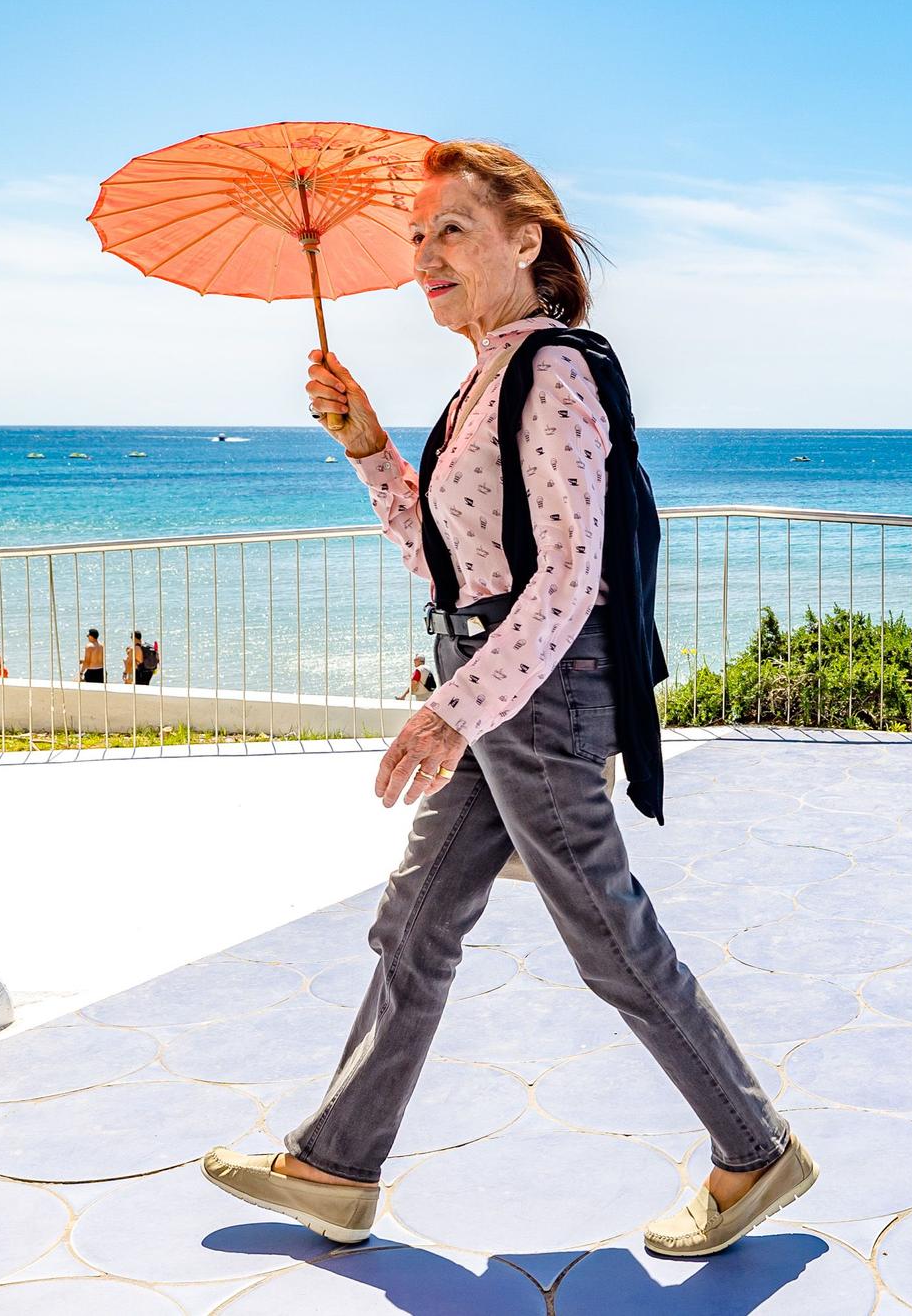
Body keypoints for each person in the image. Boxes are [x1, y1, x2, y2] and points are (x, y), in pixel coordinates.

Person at [201, 139, 812, 1257]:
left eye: (451, 230)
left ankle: (754, 1147)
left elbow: (570, 574)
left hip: (532, 697)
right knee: (415, 923)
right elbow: (448, 563)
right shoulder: (479, 380)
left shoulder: (554, 370)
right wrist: (369, 445)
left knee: (606, 936)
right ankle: (335, 1165)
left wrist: (450, 710)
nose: (423, 255)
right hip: (493, 690)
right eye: (415, 235)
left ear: (525, 241)